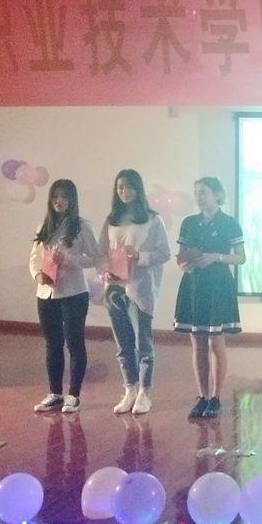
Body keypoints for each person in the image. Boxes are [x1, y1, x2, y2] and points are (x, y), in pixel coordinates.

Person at [174, 177, 246, 420]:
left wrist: (216, 257)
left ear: (217, 194)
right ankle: (202, 396)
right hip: (194, 284)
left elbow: (241, 257)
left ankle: (215, 397)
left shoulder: (229, 223)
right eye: (196, 192)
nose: (199, 196)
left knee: (216, 341)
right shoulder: (189, 223)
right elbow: (181, 256)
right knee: (197, 343)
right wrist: (184, 264)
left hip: (218, 286)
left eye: (203, 192)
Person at [100, 169, 171, 415]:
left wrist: (139, 256)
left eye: (129, 186)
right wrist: (104, 272)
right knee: (123, 345)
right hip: (114, 288)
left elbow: (164, 253)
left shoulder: (152, 219)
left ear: (138, 189)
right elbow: (101, 253)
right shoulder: (112, 220)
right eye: (120, 187)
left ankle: (144, 392)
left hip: (140, 289)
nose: (124, 191)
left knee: (143, 344)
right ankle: (129, 388)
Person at [29, 179, 99, 414]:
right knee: (52, 343)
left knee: (74, 342)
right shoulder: (44, 226)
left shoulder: (82, 226)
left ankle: (74, 394)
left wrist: (68, 260)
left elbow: (95, 258)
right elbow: (34, 258)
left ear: (72, 200)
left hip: (73, 293)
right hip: (46, 292)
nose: (59, 201)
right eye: (55, 196)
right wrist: (38, 275)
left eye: (64, 197)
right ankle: (55, 393)